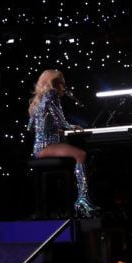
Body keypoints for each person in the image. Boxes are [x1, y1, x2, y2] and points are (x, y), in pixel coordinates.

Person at [27, 69, 97, 217]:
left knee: (77, 155)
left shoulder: (38, 100)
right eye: (62, 84)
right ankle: (82, 200)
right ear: (56, 83)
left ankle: (78, 200)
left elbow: (32, 126)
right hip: (47, 146)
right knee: (81, 154)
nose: (64, 88)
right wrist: (72, 126)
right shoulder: (52, 94)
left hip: (39, 146)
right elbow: (60, 119)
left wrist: (55, 129)